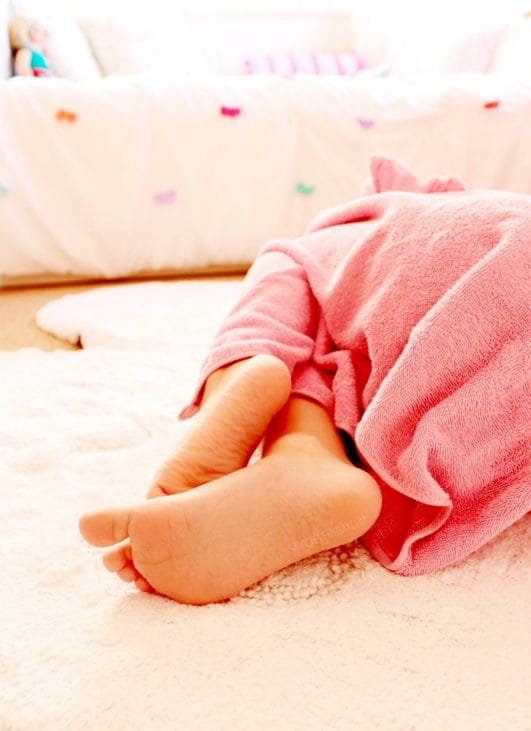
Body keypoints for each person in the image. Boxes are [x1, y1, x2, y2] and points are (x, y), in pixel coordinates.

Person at [79, 157, 531, 605]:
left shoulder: (364, 223)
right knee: (340, 354)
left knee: (286, 280)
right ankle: (303, 455)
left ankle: (259, 391)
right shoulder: (471, 208)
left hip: (473, 274)